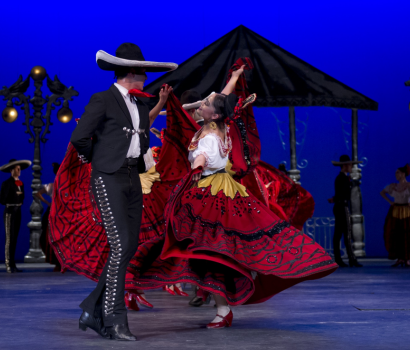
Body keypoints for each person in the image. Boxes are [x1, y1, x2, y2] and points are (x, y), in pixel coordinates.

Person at [128, 58, 337, 328]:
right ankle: (217, 305)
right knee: (206, 252)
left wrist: (198, 165)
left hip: (209, 193)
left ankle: (215, 304)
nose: (200, 105)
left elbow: (205, 155)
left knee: (205, 251)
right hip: (216, 191)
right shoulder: (217, 124)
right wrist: (235, 77)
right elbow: (223, 98)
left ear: (213, 115)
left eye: (204, 105)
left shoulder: (209, 136)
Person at [69, 43, 177, 341]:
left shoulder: (141, 104)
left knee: (128, 247)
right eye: (144, 71)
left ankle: (93, 309)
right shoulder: (102, 99)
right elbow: (80, 137)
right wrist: (99, 159)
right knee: (122, 245)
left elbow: (141, 131)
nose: (146, 76)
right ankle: (115, 319)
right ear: (132, 71)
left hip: (132, 177)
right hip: (108, 178)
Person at [380, 163, 410, 267]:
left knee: (407, 234)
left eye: (398, 172)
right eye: (396, 172)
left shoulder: (409, 185)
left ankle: (406, 258)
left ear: (403, 174)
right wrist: (390, 202)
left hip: (406, 211)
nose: (396, 174)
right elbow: (382, 192)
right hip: (395, 210)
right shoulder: (393, 186)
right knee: (396, 234)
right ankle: (399, 258)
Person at [328, 155, 363, 267]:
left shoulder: (342, 178)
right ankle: (351, 259)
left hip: (340, 206)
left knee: (339, 234)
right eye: (350, 165)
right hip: (342, 207)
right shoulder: (342, 178)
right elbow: (341, 193)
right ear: (345, 165)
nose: (351, 167)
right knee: (346, 233)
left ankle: (340, 259)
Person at [0, 159, 31, 273]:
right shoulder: (7, 183)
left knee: (15, 238)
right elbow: (1, 200)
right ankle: (8, 264)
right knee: (9, 238)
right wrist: (13, 199)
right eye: (17, 169)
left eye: (20, 169)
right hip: (10, 211)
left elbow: (23, 197)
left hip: (18, 211)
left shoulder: (20, 184)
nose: (19, 171)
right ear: (12, 170)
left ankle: (13, 264)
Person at [36, 162, 62, 271]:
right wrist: (47, 203)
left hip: (60, 212)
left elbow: (38, 193)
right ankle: (58, 262)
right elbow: (38, 193)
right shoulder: (53, 185)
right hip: (55, 212)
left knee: (56, 237)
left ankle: (61, 262)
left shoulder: (57, 185)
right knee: (53, 236)